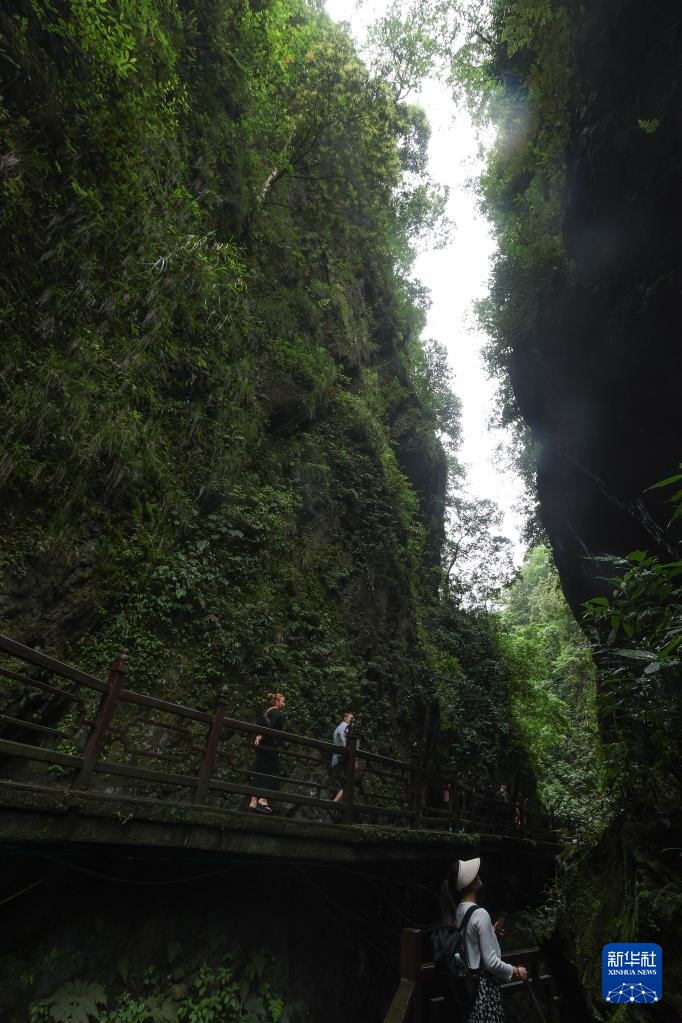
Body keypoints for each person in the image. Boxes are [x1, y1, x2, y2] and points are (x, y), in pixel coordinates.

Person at [438, 857, 528, 1022]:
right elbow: (490, 962)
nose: (478, 875)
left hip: (470, 990)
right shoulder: (480, 913)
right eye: (474, 874)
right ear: (469, 883)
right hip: (485, 991)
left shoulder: (459, 911)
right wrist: (516, 971)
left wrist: (490, 932)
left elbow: (469, 940)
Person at [248, 692, 285, 813]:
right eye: (283, 701)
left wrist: (258, 737)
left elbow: (260, 727)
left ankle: (253, 801)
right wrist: (261, 737)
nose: (284, 704)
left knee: (260, 771)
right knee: (273, 771)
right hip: (270, 746)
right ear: (277, 702)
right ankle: (263, 799)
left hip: (262, 746)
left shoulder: (265, 713)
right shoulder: (277, 713)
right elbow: (270, 728)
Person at [331, 712, 354, 803]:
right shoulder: (346, 727)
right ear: (345, 718)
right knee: (345, 785)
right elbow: (343, 739)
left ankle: (337, 804)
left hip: (335, 758)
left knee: (338, 784)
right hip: (342, 758)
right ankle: (335, 802)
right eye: (351, 719)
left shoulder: (337, 728)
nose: (352, 721)